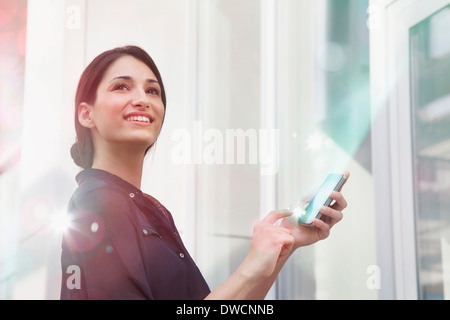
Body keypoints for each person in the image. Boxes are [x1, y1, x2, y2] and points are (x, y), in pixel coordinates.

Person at [60, 45, 349, 300]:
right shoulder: (100, 201)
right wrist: (250, 268)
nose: (142, 99)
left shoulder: (147, 209)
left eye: (152, 91)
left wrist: (285, 244)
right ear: (86, 114)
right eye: (121, 87)